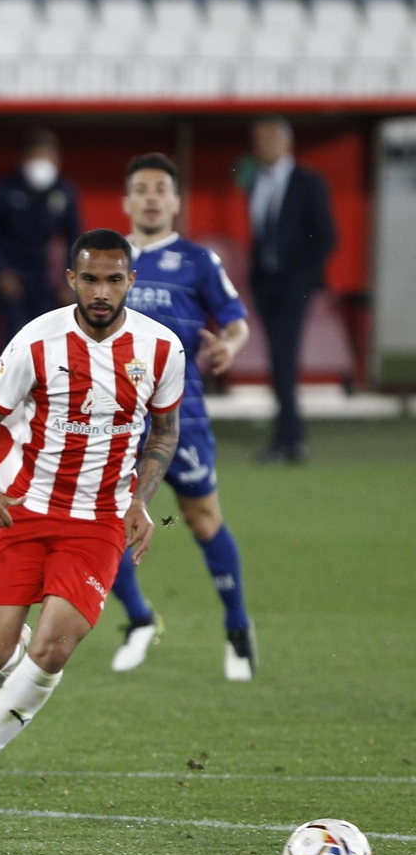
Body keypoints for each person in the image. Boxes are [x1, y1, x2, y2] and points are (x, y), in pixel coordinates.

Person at [0, 229, 185, 809]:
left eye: (114, 279)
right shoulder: (35, 343)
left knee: (52, 650)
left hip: (97, 523)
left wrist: (140, 500)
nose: (102, 291)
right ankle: (0, 663)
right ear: (71, 280)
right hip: (22, 512)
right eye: (90, 279)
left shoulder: (162, 349)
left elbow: (165, 432)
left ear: (131, 282)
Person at [108, 153, 258, 681]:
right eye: (141, 188)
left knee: (201, 519)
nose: (151, 196)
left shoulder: (197, 260)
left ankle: (238, 627)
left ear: (175, 201)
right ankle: (140, 619)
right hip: (117, 420)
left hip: (183, 416)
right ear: (126, 201)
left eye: (160, 189)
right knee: (107, 529)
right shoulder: (107, 260)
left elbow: (235, 322)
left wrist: (230, 348)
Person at [246, 115, 337, 464]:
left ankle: (290, 440)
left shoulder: (308, 182)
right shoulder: (256, 182)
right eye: (258, 140)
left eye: (269, 139)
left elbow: (326, 237)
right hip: (266, 285)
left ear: (287, 142)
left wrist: (300, 276)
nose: (262, 146)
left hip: (293, 287)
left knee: (284, 361)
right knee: (279, 360)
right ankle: (288, 437)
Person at [0, 129, 83, 355]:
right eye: (37, 157)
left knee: (47, 332)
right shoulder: (4, 189)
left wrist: (69, 279)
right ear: (25, 159)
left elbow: (75, 237)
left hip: (44, 276)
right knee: (12, 334)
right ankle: (3, 381)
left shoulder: (63, 191)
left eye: (48, 158)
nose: (42, 164)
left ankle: (42, 384)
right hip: (8, 274)